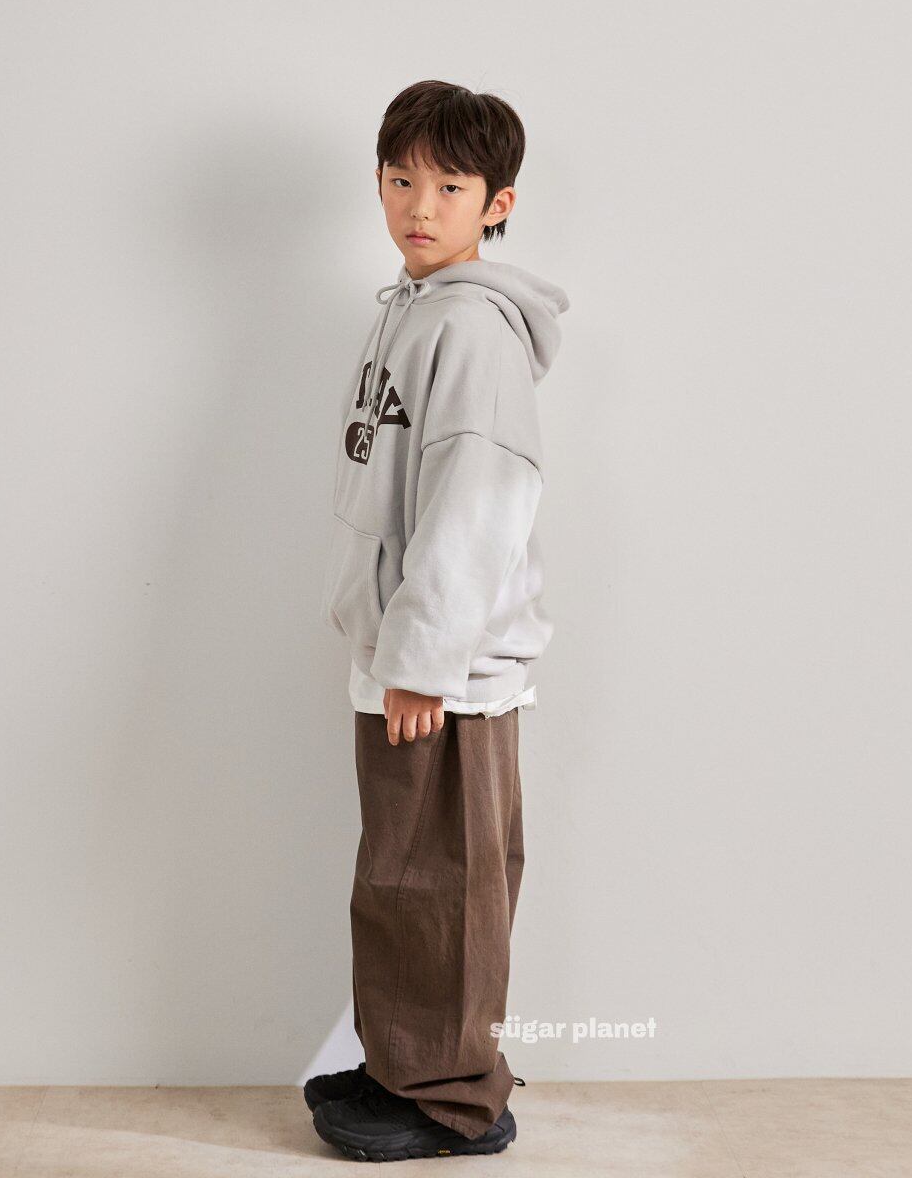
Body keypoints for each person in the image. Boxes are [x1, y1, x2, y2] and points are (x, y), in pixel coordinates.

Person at [306, 79, 569, 1162]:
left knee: (444, 881)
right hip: (404, 655)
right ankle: (402, 1065)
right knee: (402, 876)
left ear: (496, 203)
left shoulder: (469, 329)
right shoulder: (410, 309)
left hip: (445, 670)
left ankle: (449, 1095)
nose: (420, 205)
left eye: (450, 186)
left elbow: (478, 505)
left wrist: (423, 658)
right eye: (400, 178)